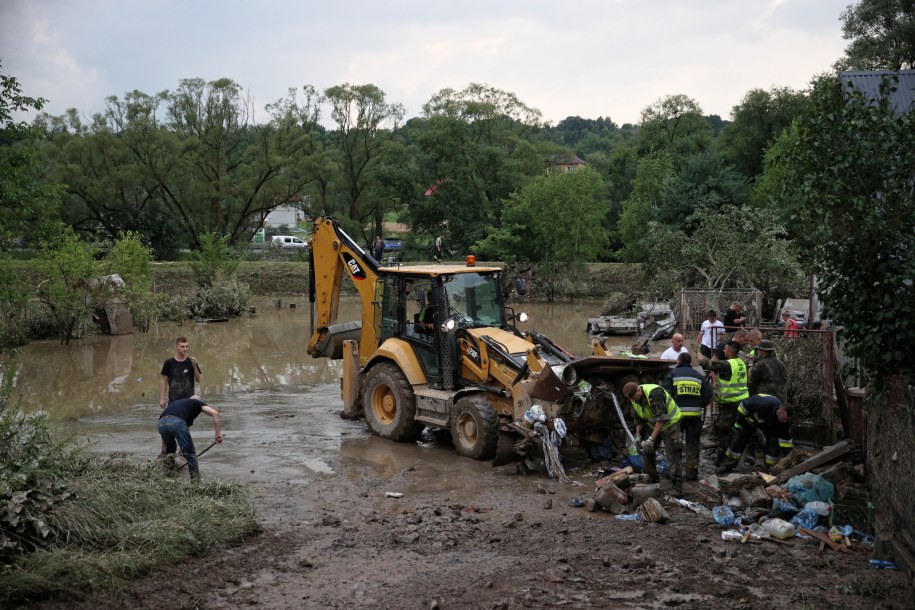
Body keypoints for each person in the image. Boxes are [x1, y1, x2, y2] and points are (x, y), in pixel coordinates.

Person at [622, 382, 684, 495]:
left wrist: (651, 439)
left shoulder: (655, 393)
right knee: (647, 450)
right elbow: (638, 418)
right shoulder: (633, 398)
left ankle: (677, 487)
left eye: (634, 397)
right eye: (631, 399)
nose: (633, 400)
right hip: (654, 424)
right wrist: (637, 435)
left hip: (670, 423)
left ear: (638, 390)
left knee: (672, 455)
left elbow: (661, 418)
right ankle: (652, 477)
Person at [661, 352, 712, 481]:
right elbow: (708, 395)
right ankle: (691, 473)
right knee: (693, 444)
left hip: (676, 417)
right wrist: (699, 404)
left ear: (678, 361)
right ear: (690, 363)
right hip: (694, 416)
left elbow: (664, 396)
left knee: (675, 445)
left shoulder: (672, 375)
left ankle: (675, 474)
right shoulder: (698, 376)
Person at [697, 340, 750, 463]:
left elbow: (709, 364)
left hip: (730, 404)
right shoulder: (740, 363)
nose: (724, 351)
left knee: (725, 431)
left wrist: (698, 354)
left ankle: (723, 460)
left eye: (725, 349)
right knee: (738, 429)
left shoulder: (728, 364)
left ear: (730, 352)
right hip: (741, 401)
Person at [716, 393, 793, 474]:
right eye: (783, 419)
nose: (785, 422)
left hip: (768, 424)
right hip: (750, 419)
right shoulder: (762, 404)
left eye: (786, 420)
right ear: (778, 412)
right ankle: (727, 465)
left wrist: (789, 458)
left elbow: (786, 442)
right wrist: (739, 423)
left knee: (774, 444)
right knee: (738, 440)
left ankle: (771, 470)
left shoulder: (784, 422)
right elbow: (743, 407)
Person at [158, 395, 223, 481]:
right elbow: (215, 413)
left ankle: (168, 476)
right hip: (176, 422)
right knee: (190, 454)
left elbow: (170, 424)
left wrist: (163, 450)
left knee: (170, 452)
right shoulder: (197, 403)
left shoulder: (179, 404)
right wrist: (218, 434)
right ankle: (195, 483)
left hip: (161, 423)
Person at [160, 336, 201, 408]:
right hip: (174, 401)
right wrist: (162, 399)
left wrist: (194, 366)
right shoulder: (169, 363)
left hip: (189, 401)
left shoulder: (191, 362)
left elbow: (198, 380)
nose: (185, 349)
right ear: (177, 347)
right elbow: (164, 381)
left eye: (186, 346)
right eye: (182, 347)